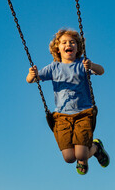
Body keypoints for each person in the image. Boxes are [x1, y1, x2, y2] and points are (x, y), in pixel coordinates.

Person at [26, 28, 110, 175]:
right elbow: (32, 80)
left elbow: (101, 70)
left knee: (81, 154)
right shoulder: (53, 67)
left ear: (78, 47)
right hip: (62, 116)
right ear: (58, 49)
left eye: (72, 42)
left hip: (83, 113)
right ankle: (84, 152)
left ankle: (96, 148)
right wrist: (31, 74)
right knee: (69, 157)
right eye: (64, 42)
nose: (68, 44)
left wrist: (91, 66)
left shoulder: (82, 64)